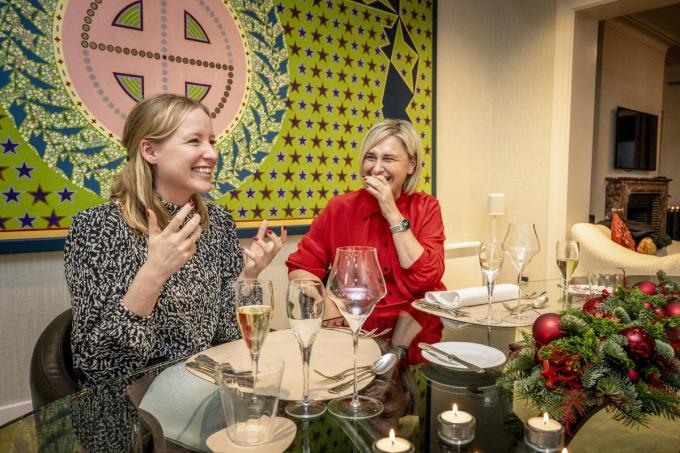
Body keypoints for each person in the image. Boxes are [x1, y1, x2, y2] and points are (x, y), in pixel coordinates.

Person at [64, 94, 285, 387]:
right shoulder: (96, 227)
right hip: (132, 405)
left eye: (211, 142)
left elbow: (229, 336)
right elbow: (97, 366)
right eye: (194, 141)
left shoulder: (216, 223)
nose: (211, 154)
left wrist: (249, 276)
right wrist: (154, 273)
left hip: (206, 383)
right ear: (150, 151)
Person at [286, 119, 445, 363]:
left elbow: (427, 277)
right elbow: (301, 269)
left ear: (411, 165)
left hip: (413, 335)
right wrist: (326, 301)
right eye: (371, 157)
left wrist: (391, 210)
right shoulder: (340, 208)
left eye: (389, 159)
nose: (376, 168)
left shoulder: (426, 207)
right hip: (352, 330)